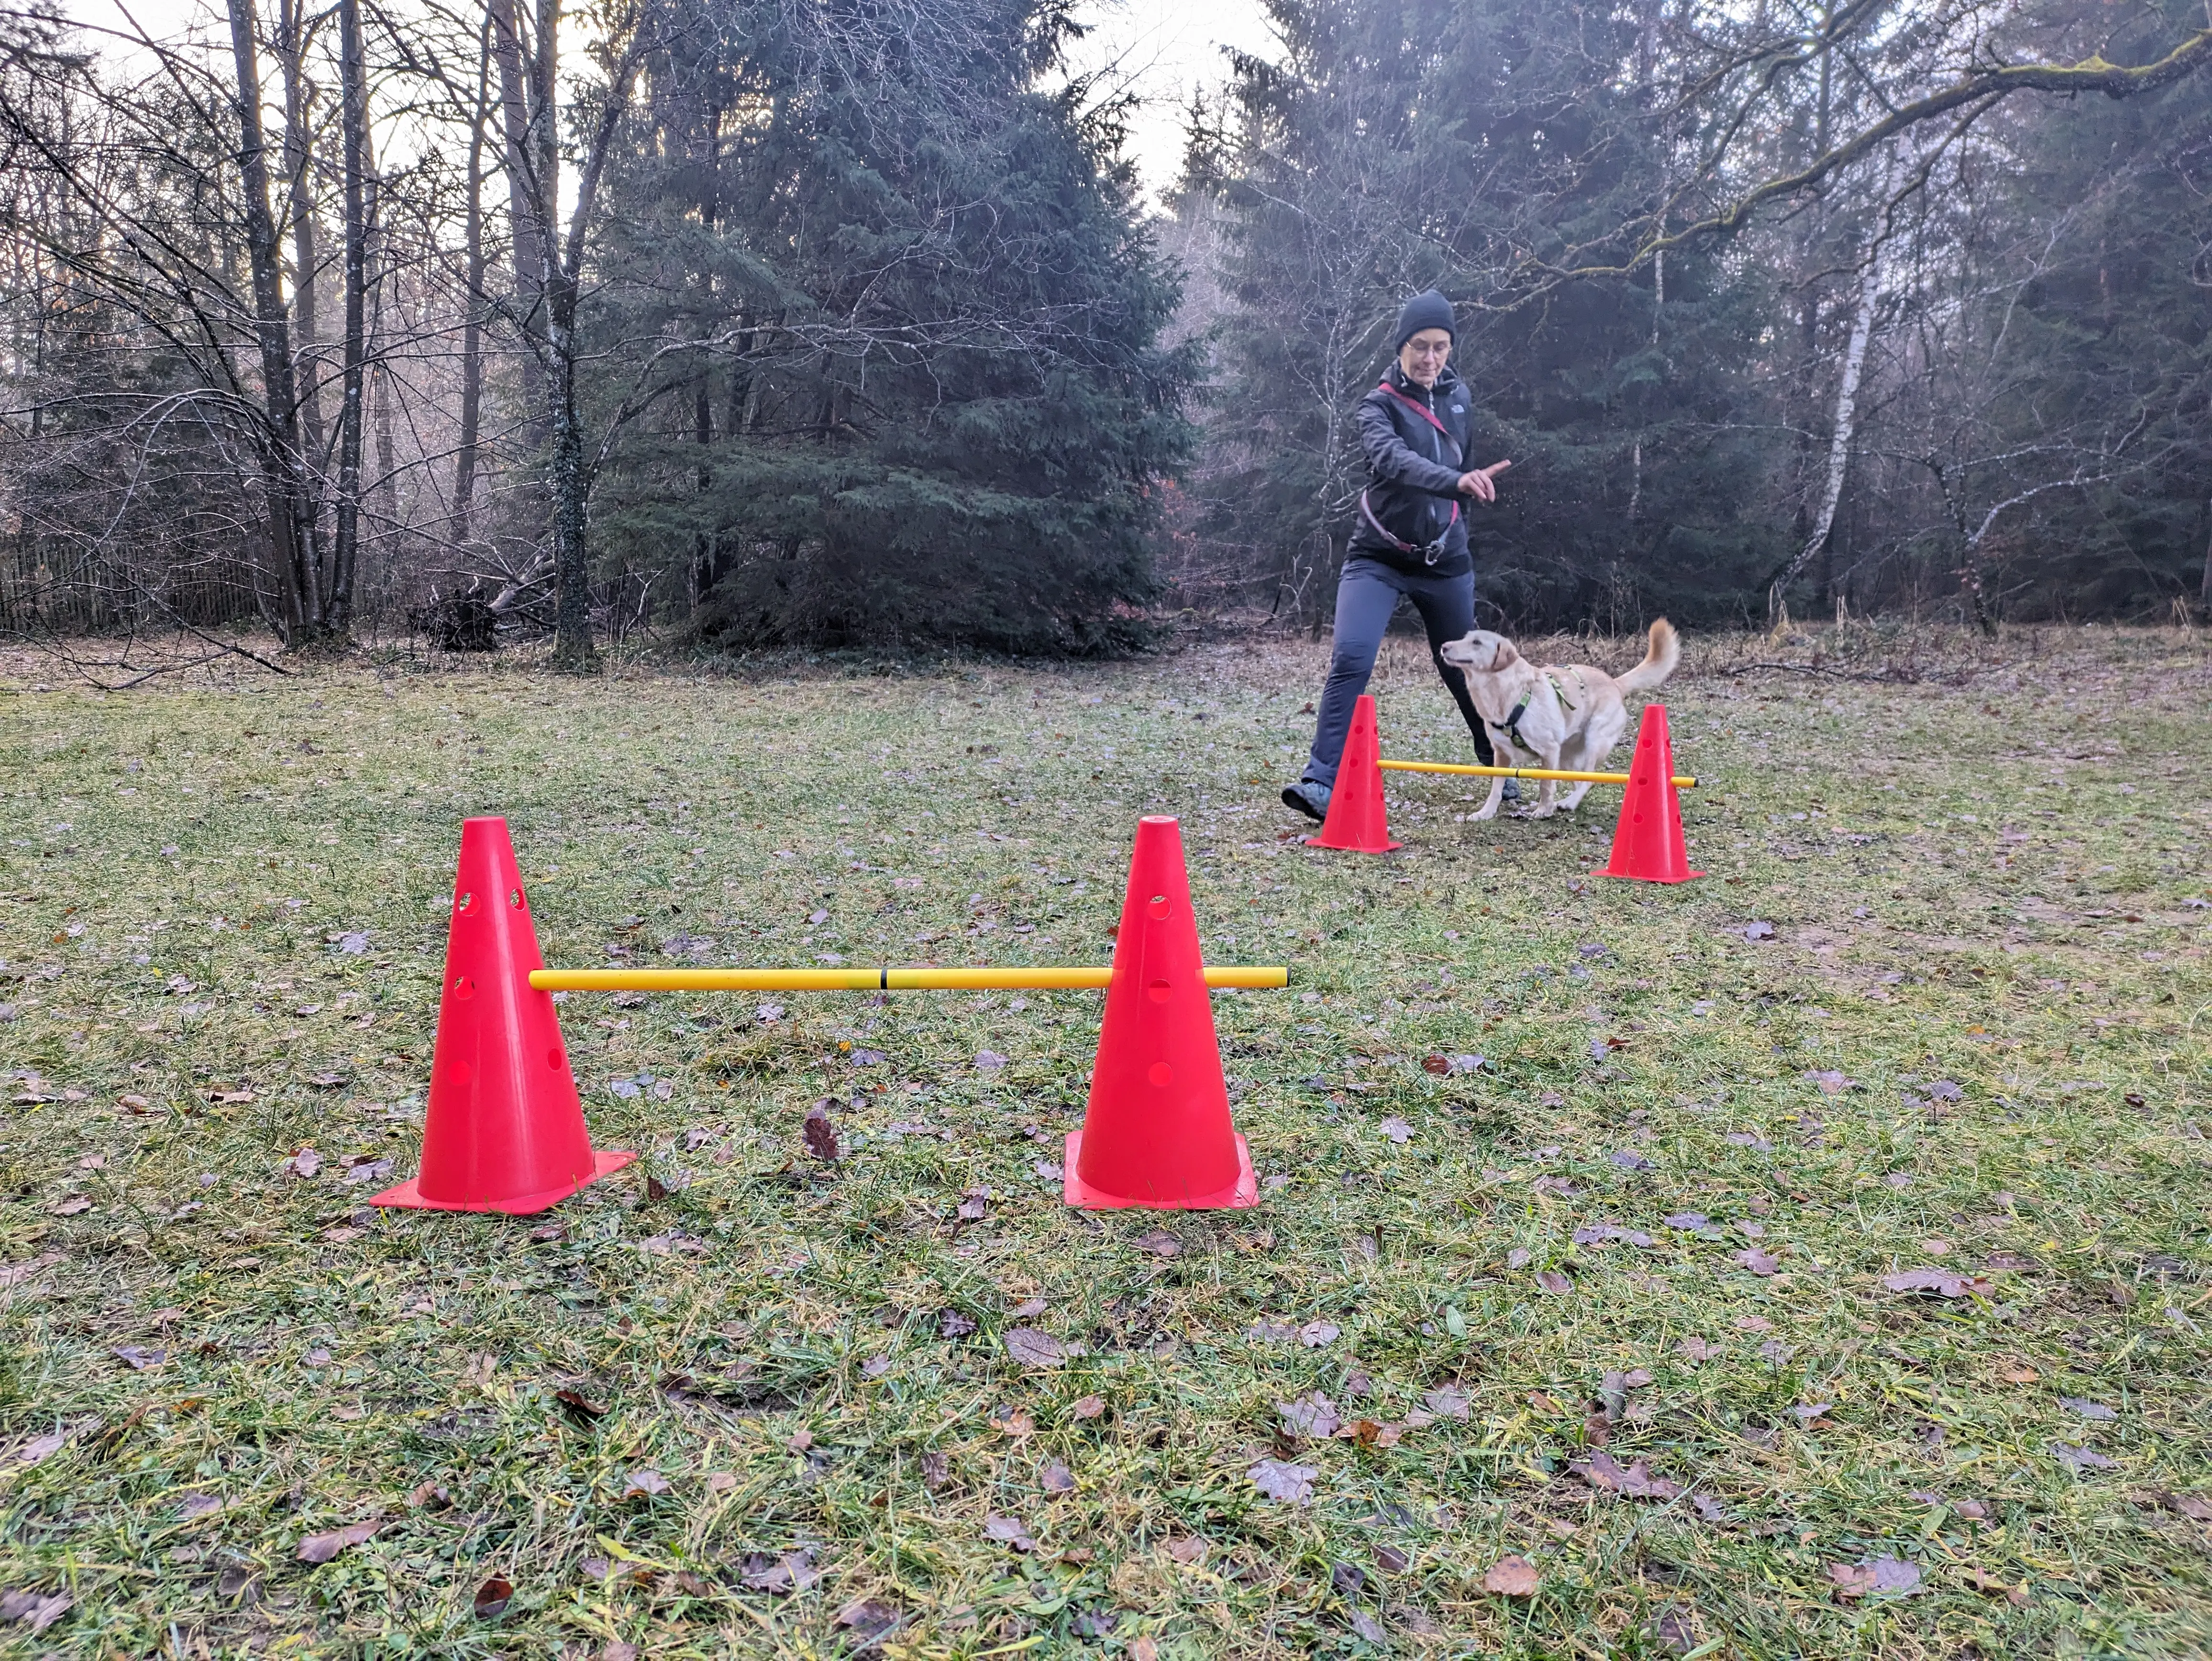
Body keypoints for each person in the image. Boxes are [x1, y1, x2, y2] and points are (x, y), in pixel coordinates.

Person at [1281, 289, 1516, 822]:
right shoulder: (1377, 405)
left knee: (1464, 671)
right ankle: (1320, 782)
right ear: (1401, 346)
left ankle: (1501, 770)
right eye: (1419, 346)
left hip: (1445, 562)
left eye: (1440, 347)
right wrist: (1456, 482)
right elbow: (1395, 462)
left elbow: (1468, 466)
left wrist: (1463, 501)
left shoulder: (1461, 400)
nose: (1429, 358)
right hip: (1378, 560)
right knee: (1352, 657)